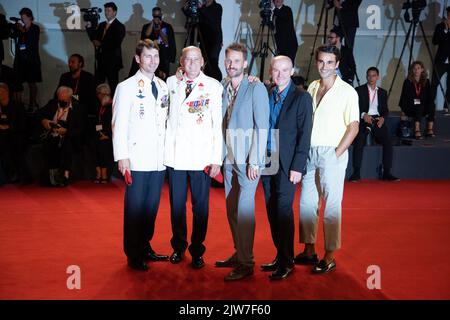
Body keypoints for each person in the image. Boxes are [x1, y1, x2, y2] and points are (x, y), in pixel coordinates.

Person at [297, 45, 359, 274]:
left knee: (331, 206)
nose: (324, 66)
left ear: (337, 64)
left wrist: (336, 153)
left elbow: (354, 127)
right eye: (321, 62)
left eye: (329, 62)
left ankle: (330, 255)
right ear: (316, 63)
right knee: (306, 203)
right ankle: (309, 249)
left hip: (333, 152)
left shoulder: (347, 92)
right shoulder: (312, 86)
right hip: (310, 152)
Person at [112, 39, 170, 271]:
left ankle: (145, 246)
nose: (152, 61)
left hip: (158, 159)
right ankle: (133, 253)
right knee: (135, 208)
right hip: (135, 158)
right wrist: (122, 156)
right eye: (147, 57)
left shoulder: (163, 86)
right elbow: (119, 124)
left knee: (151, 207)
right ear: (138, 59)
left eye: (155, 57)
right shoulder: (125, 87)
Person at [215, 43, 269, 281]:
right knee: (231, 209)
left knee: (245, 210)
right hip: (228, 158)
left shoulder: (255, 88)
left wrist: (255, 161)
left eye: (236, 61)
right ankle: (240, 252)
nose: (231, 65)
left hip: (248, 160)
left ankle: (247, 263)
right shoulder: (223, 86)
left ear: (245, 63)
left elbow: (262, 126)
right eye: (228, 60)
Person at [165, 46, 223, 269]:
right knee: (176, 205)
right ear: (181, 61)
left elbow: (217, 125)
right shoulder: (171, 83)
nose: (191, 63)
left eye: (195, 59)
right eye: (187, 59)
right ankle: (178, 246)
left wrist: (216, 158)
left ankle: (197, 249)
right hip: (176, 155)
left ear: (202, 62)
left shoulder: (213, 86)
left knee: (200, 207)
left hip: (202, 157)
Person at [260, 56, 313, 280]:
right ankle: (280, 255)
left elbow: (305, 134)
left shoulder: (302, 97)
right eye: (276, 70)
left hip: (288, 163)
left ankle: (287, 261)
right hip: (266, 160)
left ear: (292, 71)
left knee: (283, 211)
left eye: (285, 70)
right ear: (271, 71)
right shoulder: (267, 94)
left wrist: (298, 166)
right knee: (272, 211)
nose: (280, 74)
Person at [349, 67, 400, 182]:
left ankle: (387, 172)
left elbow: (385, 109)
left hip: (377, 120)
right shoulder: (359, 90)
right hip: (363, 119)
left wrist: (383, 118)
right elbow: (355, 107)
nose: (371, 78)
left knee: (388, 141)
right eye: (369, 75)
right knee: (359, 140)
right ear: (366, 77)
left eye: (373, 75)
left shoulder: (382, 92)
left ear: (377, 77)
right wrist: (363, 115)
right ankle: (356, 173)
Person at [38, 86, 84, 187]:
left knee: (67, 145)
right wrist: (44, 121)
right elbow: (39, 113)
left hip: (68, 136)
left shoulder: (78, 108)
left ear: (70, 98)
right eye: (60, 99)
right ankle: (51, 177)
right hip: (52, 134)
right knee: (48, 145)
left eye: (64, 99)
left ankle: (65, 176)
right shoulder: (52, 103)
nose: (62, 101)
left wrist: (66, 131)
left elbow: (80, 129)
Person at [87, 2, 125, 94]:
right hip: (101, 61)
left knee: (113, 85)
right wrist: (89, 28)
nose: (106, 12)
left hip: (112, 61)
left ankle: (113, 106)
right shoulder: (101, 25)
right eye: (105, 10)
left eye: (109, 10)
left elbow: (116, 43)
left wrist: (100, 44)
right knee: (98, 85)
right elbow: (94, 38)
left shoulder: (119, 26)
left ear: (114, 12)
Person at [129, 7, 176, 80]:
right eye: (155, 16)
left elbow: (168, 42)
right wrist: (152, 23)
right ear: (152, 15)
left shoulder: (167, 26)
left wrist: (159, 29)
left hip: (164, 57)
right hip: (150, 55)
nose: (156, 17)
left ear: (161, 14)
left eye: (158, 15)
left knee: (163, 78)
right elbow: (145, 37)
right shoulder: (147, 26)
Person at [182, 0, 223, 81]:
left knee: (212, 62)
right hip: (203, 39)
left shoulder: (217, 7)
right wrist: (186, 8)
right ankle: (204, 81)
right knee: (203, 62)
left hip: (214, 41)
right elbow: (192, 15)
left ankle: (216, 81)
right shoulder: (202, 8)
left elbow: (211, 18)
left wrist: (200, 8)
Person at [13, 8, 42, 110]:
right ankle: (19, 105)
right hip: (22, 60)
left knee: (31, 82)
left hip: (32, 60)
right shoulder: (22, 28)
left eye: (24, 17)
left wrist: (23, 32)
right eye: (22, 18)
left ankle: (32, 104)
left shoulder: (35, 28)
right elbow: (21, 44)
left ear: (30, 17)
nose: (23, 20)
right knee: (19, 82)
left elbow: (32, 43)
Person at [399, 61, 434, 140]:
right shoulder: (408, 81)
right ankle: (417, 130)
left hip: (422, 107)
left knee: (431, 104)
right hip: (410, 107)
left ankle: (430, 129)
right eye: (414, 68)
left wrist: (427, 103)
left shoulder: (426, 81)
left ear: (422, 70)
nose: (416, 70)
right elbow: (404, 97)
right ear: (412, 70)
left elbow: (429, 96)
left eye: (418, 68)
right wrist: (403, 111)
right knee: (420, 105)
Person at [0, 83, 25, 185]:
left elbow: (22, 124)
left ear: (7, 92)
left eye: (1, 92)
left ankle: (12, 172)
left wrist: (8, 127)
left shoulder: (17, 106)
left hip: (15, 134)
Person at [431, 6, 450, 113]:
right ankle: (430, 106)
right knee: (434, 83)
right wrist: (446, 30)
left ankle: (446, 107)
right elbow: (435, 41)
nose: (449, 17)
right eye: (448, 14)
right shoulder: (440, 26)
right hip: (441, 60)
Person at [93, 83, 113, 183]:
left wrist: (107, 135)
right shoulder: (99, 106)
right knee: (94, 143)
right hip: (100, 133)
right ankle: (98, 172)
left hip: (110, 135)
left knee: (103, 146)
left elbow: (114, 123)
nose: (98, 96)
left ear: (105, 93)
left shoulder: (113, 106)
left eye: (99, 94)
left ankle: (104, 174)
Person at [272, 0, 298, 65]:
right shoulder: (275, 13)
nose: (277, 1)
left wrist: (273, 9)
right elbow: (275, 27)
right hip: (280, 44)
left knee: (288, 65)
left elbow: (282, 16)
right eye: (275, 0)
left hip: (289, 44)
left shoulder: (287, 9)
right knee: (280, 65)